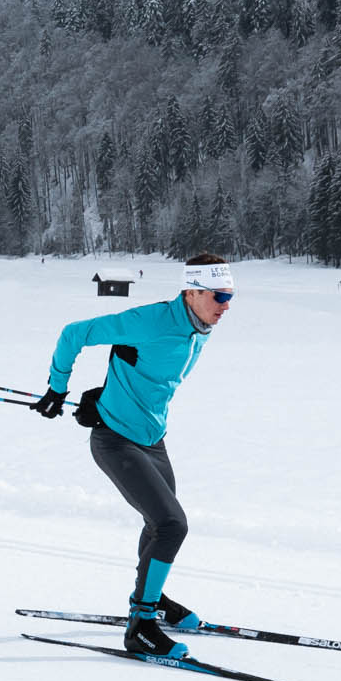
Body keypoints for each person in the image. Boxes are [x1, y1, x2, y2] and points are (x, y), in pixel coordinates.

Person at [35, 255, 237, 658]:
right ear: (192, 291)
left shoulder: (202, 325)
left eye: (230, 296)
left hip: (152, 438)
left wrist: (108, 390)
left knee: (158, 523)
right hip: (115, 441)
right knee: (171, 524)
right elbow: (74, 334)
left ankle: (153, 598)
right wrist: (59, 388)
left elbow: (136, 365)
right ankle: (141, 625)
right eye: (219, 295)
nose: (226, 305)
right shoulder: (151, 320)